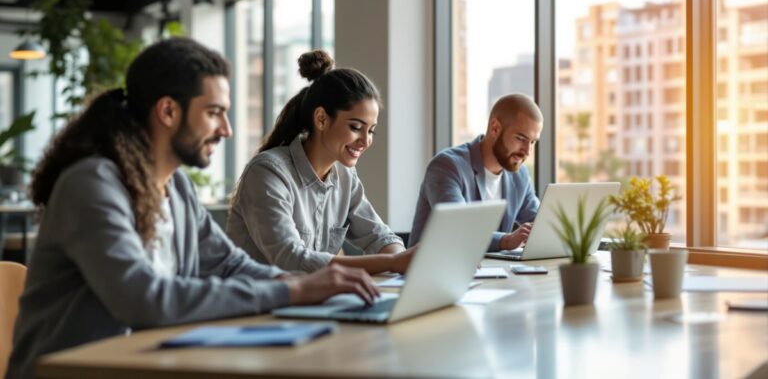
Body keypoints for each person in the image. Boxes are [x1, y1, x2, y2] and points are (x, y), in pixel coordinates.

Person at [7, 38, 379, 379]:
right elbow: (144, 298)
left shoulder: (178, 188)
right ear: (168, 111)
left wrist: (301, 283)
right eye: (214, 112)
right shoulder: (92, 184)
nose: (226, 129)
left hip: (149, 364)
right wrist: (293, 292)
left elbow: (228, 264)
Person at [227, 50, 412, 275]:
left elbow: (379, 237)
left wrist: (402, 259)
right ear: (321, 119)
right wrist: (392, 263)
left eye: (371, 130)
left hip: (311, 296)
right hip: (257, 296)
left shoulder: (345, 175)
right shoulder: (267, 172)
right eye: (355, 127)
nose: (365, 141)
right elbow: (292, 259)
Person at [408, 93, 543, 251]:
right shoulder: (447, 166)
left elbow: (540, 223)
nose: (527, 151)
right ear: (495, 128)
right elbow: (458, 229)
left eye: (532, 142)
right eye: (520, 138)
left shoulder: (520, 175)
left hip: (491, 266)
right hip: (436, 265)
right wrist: (506, 240)